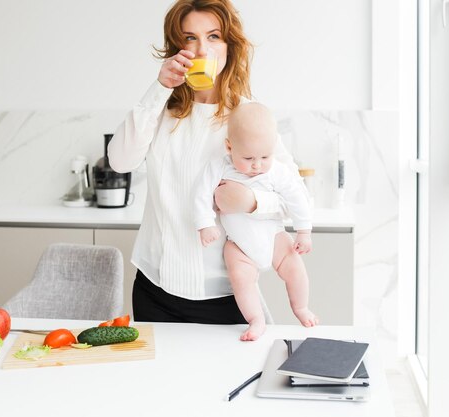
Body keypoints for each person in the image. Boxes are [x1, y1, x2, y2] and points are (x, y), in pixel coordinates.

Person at [108, 0, 306, 327]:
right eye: (189, 38)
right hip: (154, 291)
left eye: (213, 36)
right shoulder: (160, 111)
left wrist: (252, 201)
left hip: (226, 296)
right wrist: (160, 88)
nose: (201, 49)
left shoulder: (247, 118)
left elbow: (294, 196)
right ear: (177, 48)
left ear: (230, 46)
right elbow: (119, 161)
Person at [195, 102, 319, 341]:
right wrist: (205, 223)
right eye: (249, 157)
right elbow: (200, 194)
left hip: (274, 236)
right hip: (239, 245)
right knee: (241, 278)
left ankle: (301, 307)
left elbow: (297, 198)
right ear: (229, 147)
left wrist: (304, 230)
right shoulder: (220, 167)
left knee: (295, 268)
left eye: (265, 156)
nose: (257, 164)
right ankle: (256, 318)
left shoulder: (277, 171)